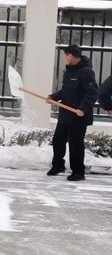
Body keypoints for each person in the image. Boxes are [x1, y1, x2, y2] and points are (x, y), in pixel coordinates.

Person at [46, 45, 98, 182]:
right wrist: (53, 97)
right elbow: (65, 92)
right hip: (65, 114)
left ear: (71, 55)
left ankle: (78, 172)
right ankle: (58, 166)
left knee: (75, 143)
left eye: (65, 55)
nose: (64, 58)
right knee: (58, 140)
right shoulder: (68, 72)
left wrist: (83, 109)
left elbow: (92, 92)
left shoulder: (86, 72)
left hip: (78, 115)